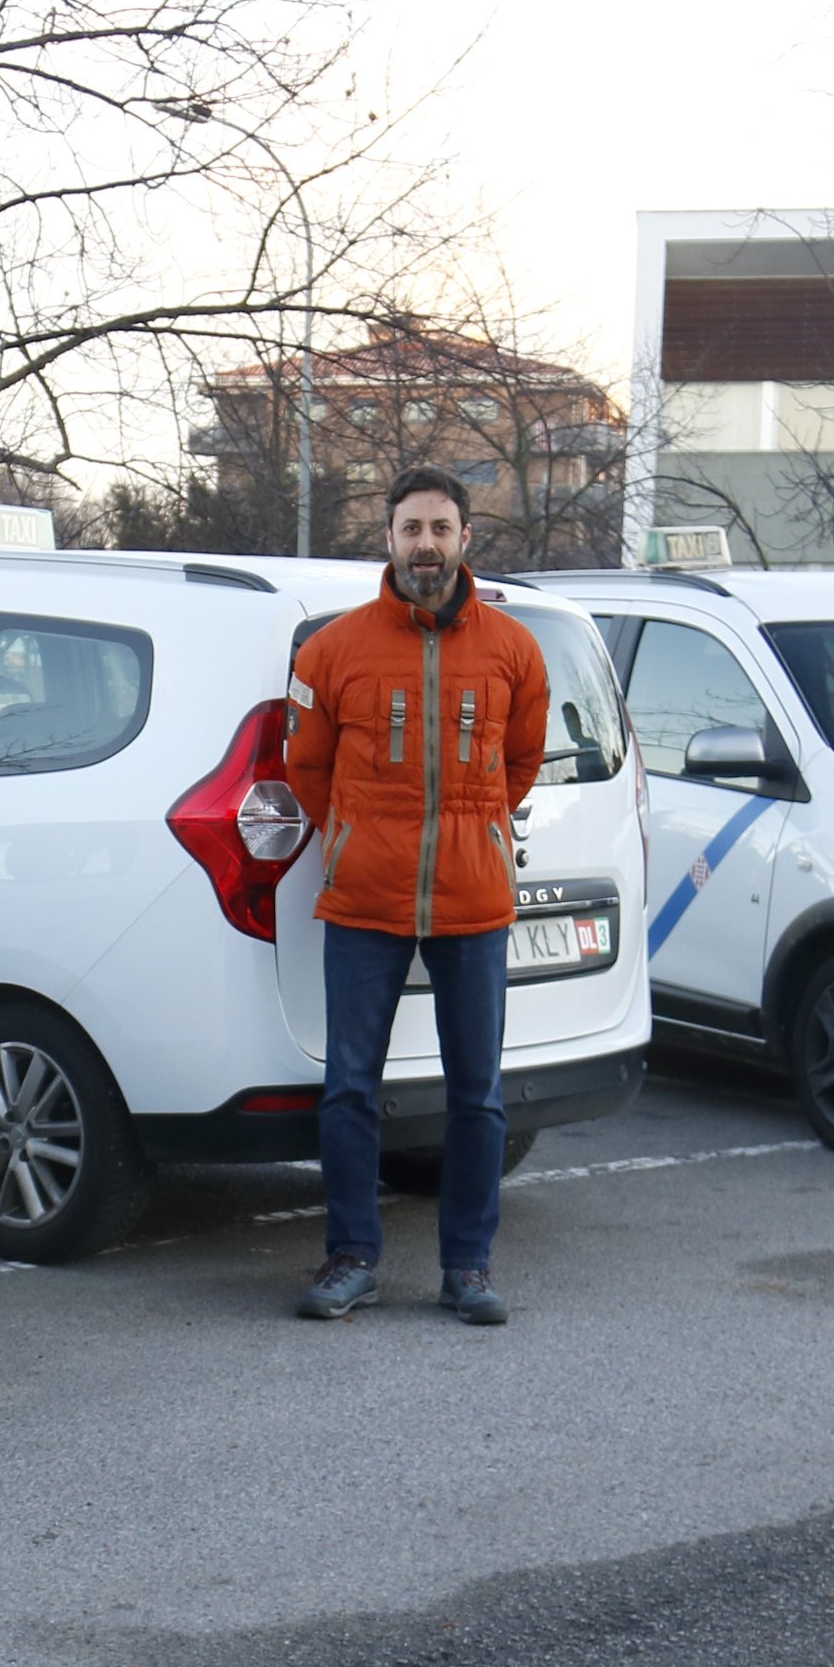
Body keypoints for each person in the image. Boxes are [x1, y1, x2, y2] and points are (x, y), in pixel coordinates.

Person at [283, 466, 552, 1325]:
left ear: (465, 538)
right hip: (364, 900)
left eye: (441, 528)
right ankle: (352, 1257)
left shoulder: (514, 648)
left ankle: (467, 1267)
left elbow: (521, 763)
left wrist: (472, 831)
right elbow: (306, 767)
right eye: (411, 529)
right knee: (351, 1088)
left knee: (477, 1093)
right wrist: (360, 838)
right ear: (388, 539)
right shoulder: (331, 650)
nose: (425, 544)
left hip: (473, 900)